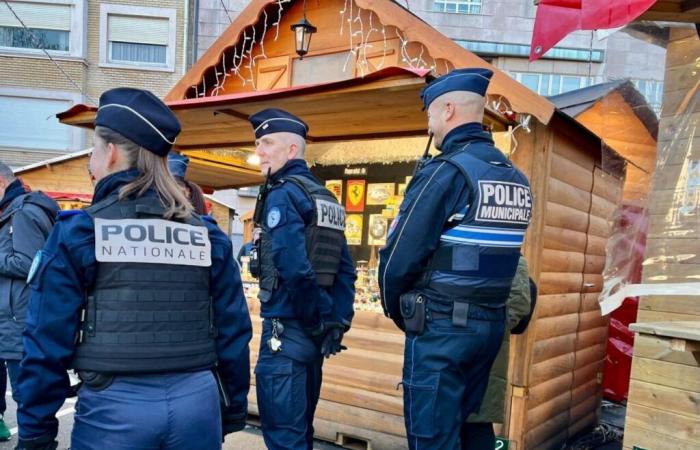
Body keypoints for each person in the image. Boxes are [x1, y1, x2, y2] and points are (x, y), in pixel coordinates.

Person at [14, 87, 252, 450]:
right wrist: (231, 407)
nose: (90, 161)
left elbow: (46, 340)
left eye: (93, 150)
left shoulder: (81, 232)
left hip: (116, 410)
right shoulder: (209, 237)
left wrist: (35, 431)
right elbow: (233, 331)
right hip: (198, 404)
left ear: (109, 154)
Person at [378, 68, 533, 450]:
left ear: (448, 110)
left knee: (432, 439)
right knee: (468, 433)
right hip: (488, 328)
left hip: (442, 329)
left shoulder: (447, 171)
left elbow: (399, 258)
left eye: (430, 114)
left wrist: (400, 312)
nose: (429, 125)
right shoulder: (514, 177)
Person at [247, 108, 356, 450]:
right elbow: (346, 270)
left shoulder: (283, 193)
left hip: (289, 330)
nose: (259, 150)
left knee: (284, 437)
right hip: (312, 336)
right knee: (300, 433)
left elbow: (294, 269)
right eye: (258, 143)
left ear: (291, 150)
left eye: (267, 142)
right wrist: (334, 321)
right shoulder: (324, 196)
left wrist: (315, 320)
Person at [0, 165, 58, 442]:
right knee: (30, 396)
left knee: (28, 398)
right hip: (19, 317)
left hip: (18, 320)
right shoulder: (19, 208)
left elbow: (29, 263)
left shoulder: (21, 213)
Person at [462, 256, 531, 450]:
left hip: (486, 354)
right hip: (458, 349)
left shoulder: (511, 257)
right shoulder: (460, 250)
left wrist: (486, 326)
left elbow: (519, 302)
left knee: (478, 422)